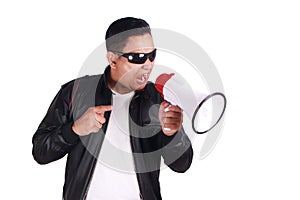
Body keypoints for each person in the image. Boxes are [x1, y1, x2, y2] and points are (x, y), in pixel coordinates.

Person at [32, 17, 193, 200]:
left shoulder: (158, 98)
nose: (147, 64)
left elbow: (182, 165)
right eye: (137, 57)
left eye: (152, 55)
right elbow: (40, 152)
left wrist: (172, 134)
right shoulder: (76, 92)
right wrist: (74, 129)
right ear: (113, 59)